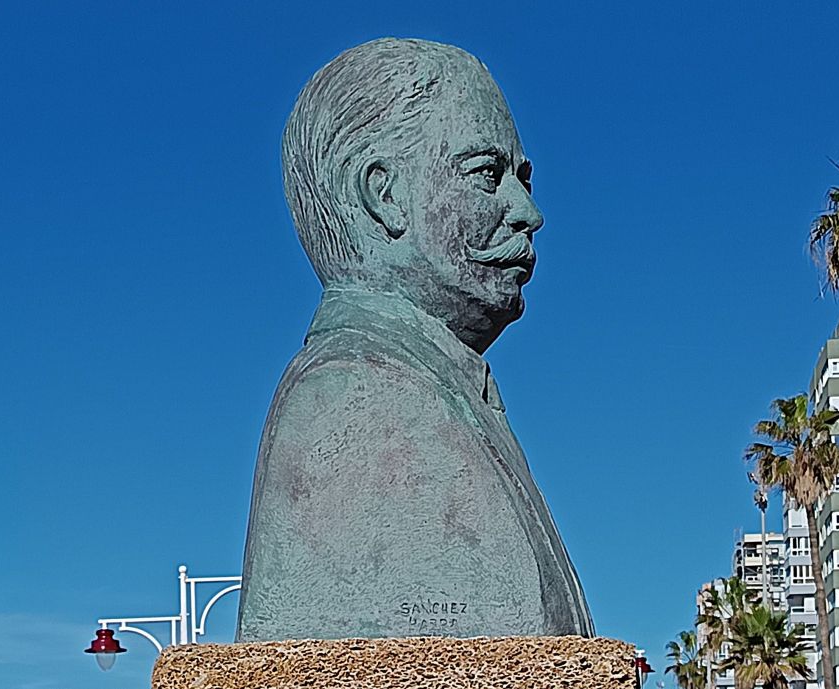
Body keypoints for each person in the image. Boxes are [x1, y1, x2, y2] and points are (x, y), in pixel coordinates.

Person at [237, 37, 593, 641]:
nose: (527, 210)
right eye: (487, 174)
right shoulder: (356, 404)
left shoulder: (442, 389)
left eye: (523, 179)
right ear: (384, 196)